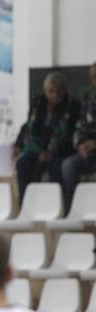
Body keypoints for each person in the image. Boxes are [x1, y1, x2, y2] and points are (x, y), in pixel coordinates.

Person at [13, 72, 77, 199]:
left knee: (55, 167)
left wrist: (51, 153)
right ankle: (25, 203)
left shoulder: (72, 105)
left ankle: (57, 205)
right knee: (22, 163)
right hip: (37, 147)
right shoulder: (38, 103)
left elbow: (70, 134)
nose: (55, 95)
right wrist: (18, 144)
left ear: (64, 90)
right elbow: (28, 126)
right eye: (51, 91)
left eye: (59, 91)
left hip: (59, 151)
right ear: (45, 90)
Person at [60, 63, 96, 211]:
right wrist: (80, 144)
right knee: (68, 164)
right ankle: (75, 210)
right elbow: (79, 127)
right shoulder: (89, 101)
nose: (94, 81)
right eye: (92, 78)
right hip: (89, 154)